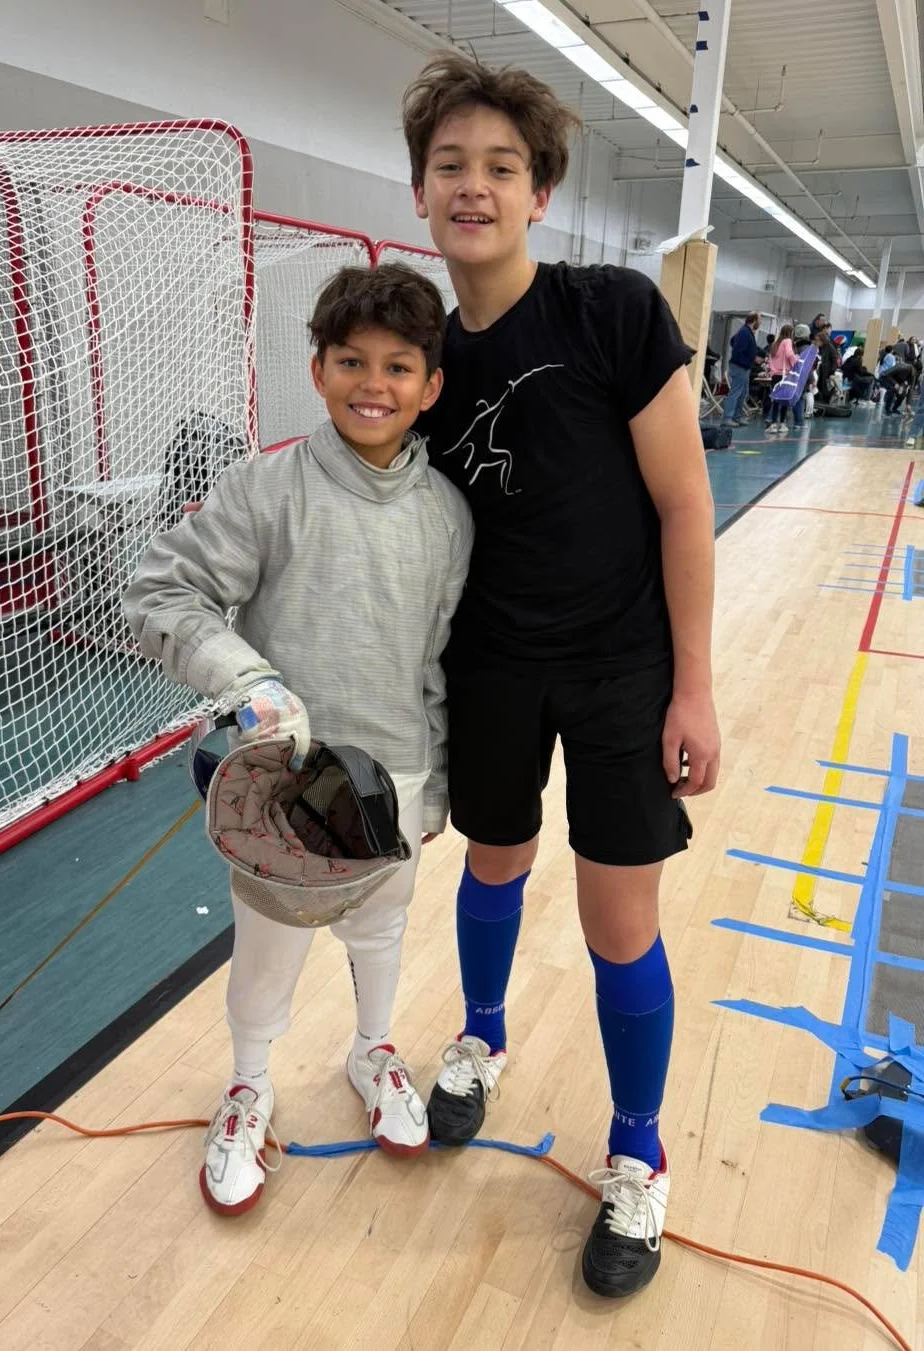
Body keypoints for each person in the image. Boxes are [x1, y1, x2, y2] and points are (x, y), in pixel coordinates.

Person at [401, 53, 719, 1299]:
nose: (473, 186)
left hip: (622, 666)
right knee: (491, 861)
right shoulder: (423, 361)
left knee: (616, 920)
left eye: (501, 167)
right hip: (490, 664)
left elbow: (685, 505)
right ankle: (480, 1038)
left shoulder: (613, 311)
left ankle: (638, 1154)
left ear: (539, 193)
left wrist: (694, 686)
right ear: (420, 190)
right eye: (450, 166)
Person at [122, 264, 473, 1215]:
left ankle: (371, 1051)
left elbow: (436, 662)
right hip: (286, 787)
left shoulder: (447, 515)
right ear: (317, 370)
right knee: (269, 942)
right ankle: (247, 1085)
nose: (373, 384)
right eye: (351, 361)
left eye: (398, 367)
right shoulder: (265, 488)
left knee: (382, 926)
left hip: (394, 778)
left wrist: (434, 786)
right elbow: (160, 592)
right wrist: (249, 680)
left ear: (431, 386)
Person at [722, 312, 761, 425]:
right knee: (736, 392)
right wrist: (752, 358)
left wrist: (752, 357)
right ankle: (727, 418)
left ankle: (737, 417)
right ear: (754, 320)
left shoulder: (746, 332)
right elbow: (738, 350)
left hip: (744, 367)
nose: (760, 323)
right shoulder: (745, 332)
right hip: (740, 367)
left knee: (743, 393)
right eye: (759, 320)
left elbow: (733, 340)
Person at [764, 323, 797, 435]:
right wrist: (796, 363)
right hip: (785, 375)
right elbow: (789, 354)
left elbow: (770, 360)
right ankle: (782, 423)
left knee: (776, 400)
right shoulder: (787, 341)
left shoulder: (775, 344)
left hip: (775, 376)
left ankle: (773, 424)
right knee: (785, 400)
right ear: (790, 333)